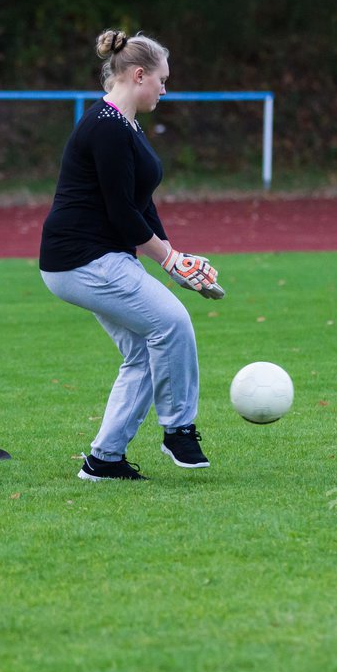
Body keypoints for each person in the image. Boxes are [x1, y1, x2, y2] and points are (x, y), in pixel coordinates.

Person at [40, 29, 225, 482]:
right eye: (162, 80)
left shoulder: (125, 125)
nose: (165, 89)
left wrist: (175, 257)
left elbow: (140, 203)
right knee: (172, 323)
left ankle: (104, 460)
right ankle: (178, 429)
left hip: (99, 258)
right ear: (138, 75)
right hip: (82, 259)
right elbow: (121, 213)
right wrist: (168, 261)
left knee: (144, 349)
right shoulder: (104, 126)